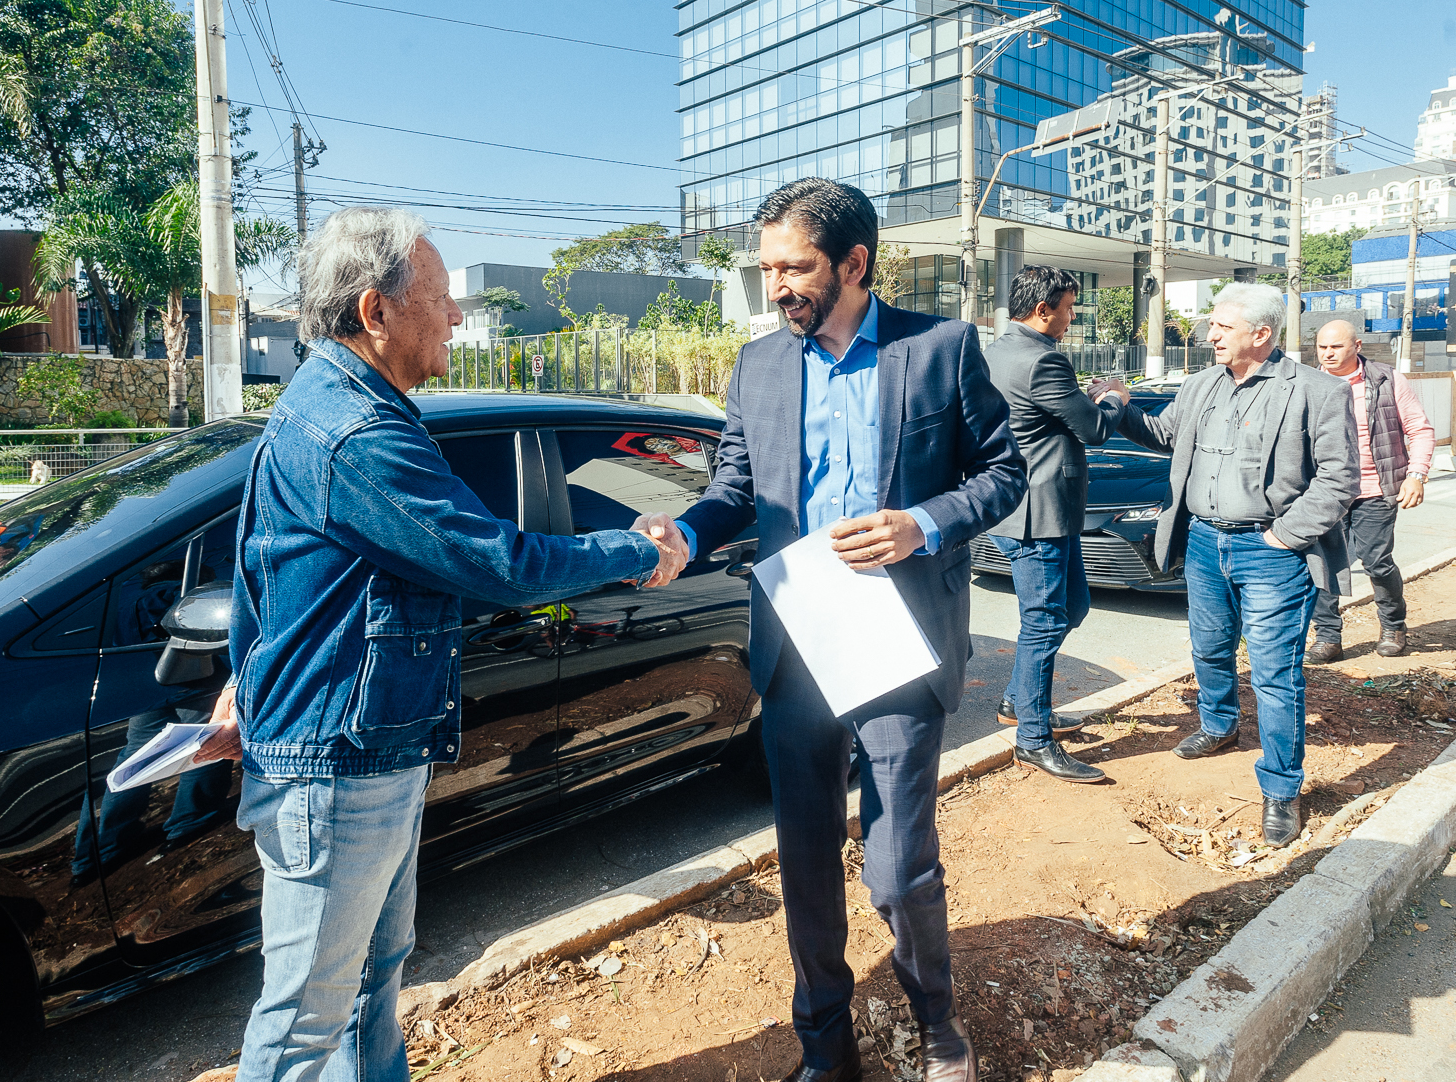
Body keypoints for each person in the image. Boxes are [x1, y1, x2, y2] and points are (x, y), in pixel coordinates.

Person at [191, 208, 687, 1082]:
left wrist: (245, 671)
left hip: (361, 748)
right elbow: (494, 559)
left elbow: (262, 564)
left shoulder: (328, 402)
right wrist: (638, 549)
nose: (457, 317)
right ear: (376, 312)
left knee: (368, 983)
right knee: (306, 1017)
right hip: (338, 766)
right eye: (442, 298)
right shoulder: (357, 433)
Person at [637, 178, 1025, 1082]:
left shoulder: (940, 348)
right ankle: (826, 1045)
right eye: (768, 267)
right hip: (797, 640)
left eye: (795, 266)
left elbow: (1004, 472)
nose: (778, 284)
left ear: (854, 262)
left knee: (897, 867)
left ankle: (938, 1025)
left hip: (898, 634)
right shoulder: (759, 365)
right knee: (805, 861)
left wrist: (919, 523)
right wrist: (686, 533)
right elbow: (736, 488)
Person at [1107, 283, 1357, 846]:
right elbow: (1164, 435)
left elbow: (1339, 478)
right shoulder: (1200, 385)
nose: (1209, 335)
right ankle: (1218, 726)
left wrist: (1284, 537)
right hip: (1203, 542)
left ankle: (1280, 788)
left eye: (1222, 326)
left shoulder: (1317, 391)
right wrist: (1122, 407)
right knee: (1210, 647)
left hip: (1271, 552)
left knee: (1274, 672)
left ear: (1261, 334)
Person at [981, 264, 1129, 783]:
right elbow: (1093, 431)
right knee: (1044, 620)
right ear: (1042, 311)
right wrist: (1113, 396)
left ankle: (1020, 701)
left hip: (1031, 509)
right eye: (1067, 309)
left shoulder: (998, 352)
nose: (1070, 318)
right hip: (1038, 513)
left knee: (1073, 606)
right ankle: (1033, 740)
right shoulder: (1042, 360)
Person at [1304, 320, 1435, 663]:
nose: (1328, 354)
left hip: (1375, 489)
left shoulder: (1386, 380)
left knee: (1376, 562)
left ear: (1357, 346)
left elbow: (1420, 430)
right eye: (1322, 347)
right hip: (1324, 492)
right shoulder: (1308, 384)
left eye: (1336, 347)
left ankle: (1393, 626)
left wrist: (1416, 475)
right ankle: (1328, 637)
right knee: (1322, 565)